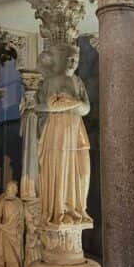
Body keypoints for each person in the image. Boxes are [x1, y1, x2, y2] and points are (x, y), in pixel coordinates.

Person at [37, 45, 92, 227]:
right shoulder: (53, 81)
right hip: (58, 129)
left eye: (75, 60)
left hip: (76, 129)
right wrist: (74, 104)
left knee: (82, 171)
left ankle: (77, 209)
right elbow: (50, 105)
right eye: (69, 59)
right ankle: (59, 210)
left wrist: (69, 101)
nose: (72, 62)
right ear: (62, 60)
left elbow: (86, 108)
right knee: (60, 169)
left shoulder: (78, 81)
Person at [0, 181, 25, 267]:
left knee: (17, 256)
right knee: (8, 257)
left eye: (15, 188)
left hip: (15, 234)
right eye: (14, 188)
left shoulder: (19, 203)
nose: (15, 190)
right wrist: (1, 227)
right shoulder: (2, 202)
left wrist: (20, 233)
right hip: (6, 233)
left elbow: (21, 220)